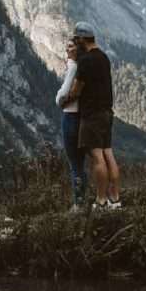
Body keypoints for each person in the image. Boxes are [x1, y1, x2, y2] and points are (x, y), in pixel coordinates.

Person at [65, 22, 121, 211]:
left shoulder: (86, 61)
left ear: (81, 39)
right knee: (108, 154)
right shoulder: (103, 57)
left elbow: (76, 89)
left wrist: (65, 100)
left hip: (92, 115)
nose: (75, 42)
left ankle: (100, 200)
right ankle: (115, 199)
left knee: (96, 157)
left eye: (75, 39)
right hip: (107, 113)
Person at [56, 38, 87, 212]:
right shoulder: (83, 68)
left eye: (71, 46)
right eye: (66, 45)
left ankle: (78, 204)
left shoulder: (74, 67)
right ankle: (82, 200)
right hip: (81, 118)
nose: (67, 49)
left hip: (70, 117)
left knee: (74, 164)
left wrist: (59, 98)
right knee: (80, 164)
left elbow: (61, 95)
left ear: (77, 49)